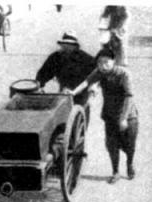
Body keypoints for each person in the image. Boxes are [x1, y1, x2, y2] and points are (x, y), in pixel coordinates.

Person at [67, 47, 138, 184]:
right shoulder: (99, 72)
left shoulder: (124, 74)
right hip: (110, 115)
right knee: (111, 145)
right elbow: (87, 82)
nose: (103, 66)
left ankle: (129, 163)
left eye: (106, 62)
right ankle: (115, 172)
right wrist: (74, 92)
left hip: (128, 116)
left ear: (114, 61)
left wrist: (124, 118)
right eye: (100, 62)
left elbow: (129, 97)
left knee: (129, 145)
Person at [35, 31, 96, 113]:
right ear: (61, 44)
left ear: (75, 46)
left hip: (81, 93)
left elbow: (96, 74)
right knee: (61, 113)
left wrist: (93, 87)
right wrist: (39, 86)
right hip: (64, 93)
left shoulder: (85, 58)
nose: (67, 47)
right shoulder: (55, 57)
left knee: (79, 114)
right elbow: (44, 73)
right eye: (64, 44)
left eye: (70, 45)